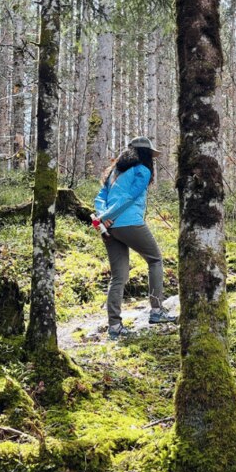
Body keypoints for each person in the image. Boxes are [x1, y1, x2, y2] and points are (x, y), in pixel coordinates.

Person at [94, 137, 176, 339]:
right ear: (146, 154)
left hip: (110, 228)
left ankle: (114, 326)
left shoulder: (114, 172)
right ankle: (157, 311)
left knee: (118, 276)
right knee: (155, 260)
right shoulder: (142, 170)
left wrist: (102, 217)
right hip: (128, 223)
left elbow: (100, 198)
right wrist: (106, 218)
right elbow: (129, 198)